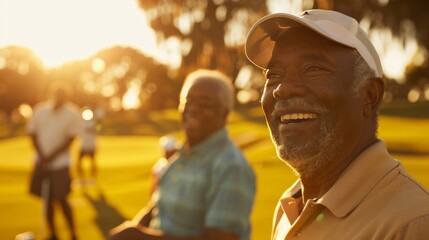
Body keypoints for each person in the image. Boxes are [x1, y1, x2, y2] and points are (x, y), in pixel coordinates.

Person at [245, 9, 429, 239]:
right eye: (273, 75)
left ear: (370, 96)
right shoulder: (288, 208)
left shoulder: (412, 224)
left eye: (313, 69)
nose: (283, 88)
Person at [109, 69, 256, 240]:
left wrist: (139, 237)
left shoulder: (230, 166)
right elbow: (158, 205)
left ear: (224, 114)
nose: (192, 109)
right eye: (188, 101)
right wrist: (134, 227)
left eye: (205, 103)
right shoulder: (180, 155)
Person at [27, 82, 81, 240]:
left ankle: (73, 233)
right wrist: (43, 156)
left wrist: (51, 156)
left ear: (66, 98)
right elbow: (32, 133)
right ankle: (53, 234)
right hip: (41, 162)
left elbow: (71, 139)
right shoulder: (40, 110)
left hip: (60, 164)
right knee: (47, 200)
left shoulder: (72, 113)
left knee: (63, 199)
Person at [76, 106, 99, 185]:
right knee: (78, 164)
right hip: (83, 145)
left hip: (92, 145)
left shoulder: (94, 123)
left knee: (93, 163)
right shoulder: (80, 123)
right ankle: (81, 179)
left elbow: (98, 129)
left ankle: (92, 179)